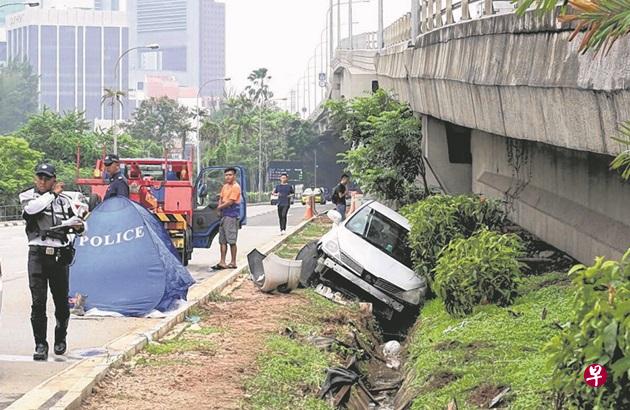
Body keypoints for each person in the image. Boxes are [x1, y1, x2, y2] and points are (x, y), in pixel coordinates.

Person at [19, 163, 85, 361]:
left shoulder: (64, 201)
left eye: (46, 178)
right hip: (37, 255)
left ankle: (60, 337)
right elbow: (32, 210)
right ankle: (40, 344)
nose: (42, 181)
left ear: (53, 180)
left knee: (61, 303)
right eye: (39, 177)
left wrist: (80, 227)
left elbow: (77, 221)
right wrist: (52, 195)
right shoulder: (29, 196)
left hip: (58, 255)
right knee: (38, 302)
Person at [212, 167, 242, 270]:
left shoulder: (236, 187)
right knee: (222, 240)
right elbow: (221, 198)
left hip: (232, 215)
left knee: (231, 240)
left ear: (234, 176)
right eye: (226, 175)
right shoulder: (225, 186)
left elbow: (230, 202)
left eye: (230, 175)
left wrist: (219, 207)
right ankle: (222, 262)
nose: (228, 177)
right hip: (224, 215)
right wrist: (219, 209)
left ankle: (233, 262)